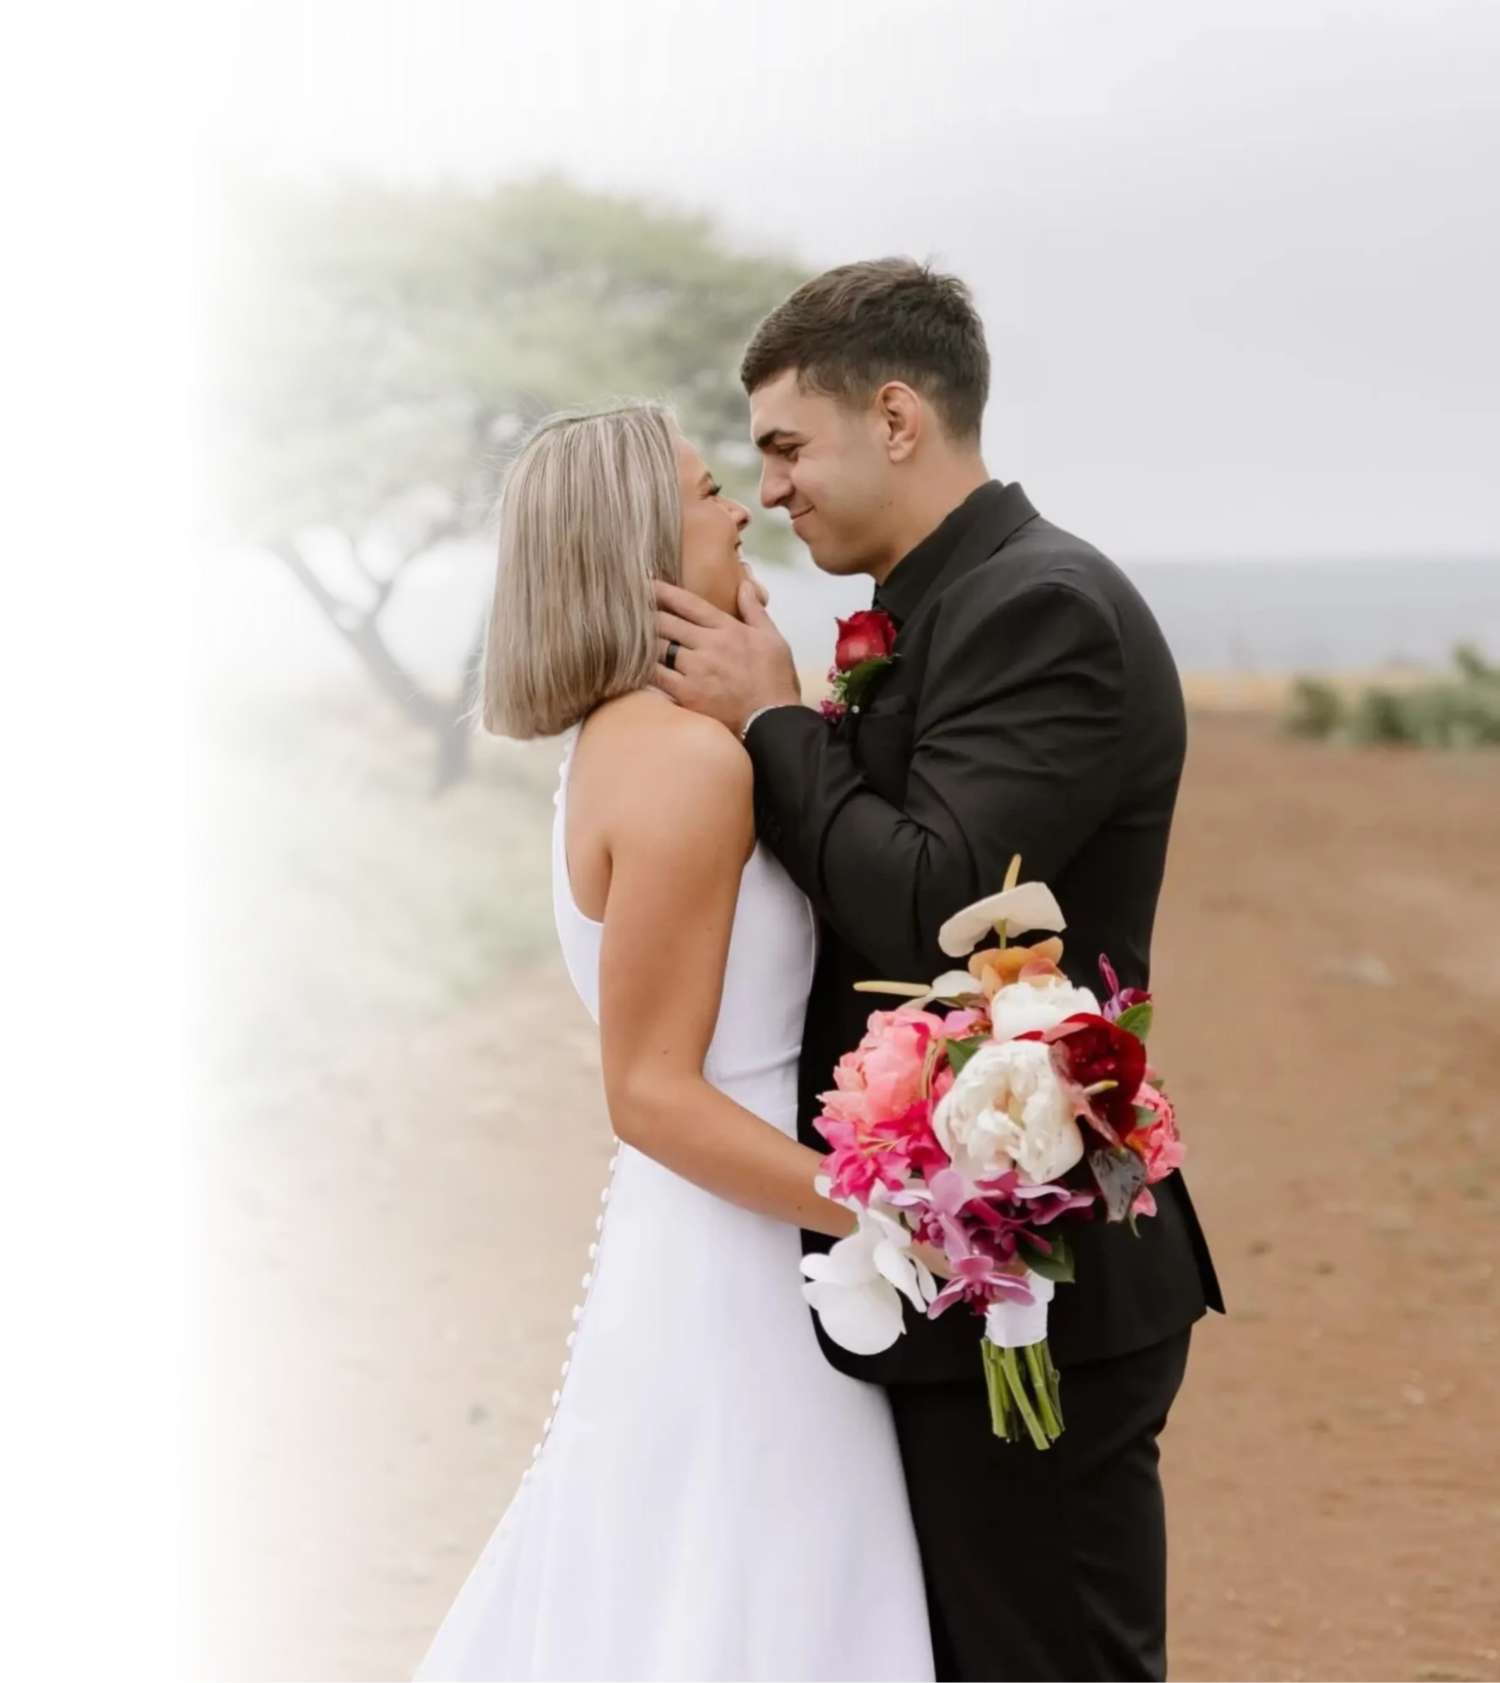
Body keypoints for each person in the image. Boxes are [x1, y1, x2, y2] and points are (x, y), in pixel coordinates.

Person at [653, 257, 1225, 1683]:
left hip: (1036, 1271)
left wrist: (780, 724)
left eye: (788, 444)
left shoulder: (1045, 607)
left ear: (896, 416)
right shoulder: (941, 603)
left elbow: (937, 904)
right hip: (938, 1265)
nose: (771, 487)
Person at [409, 400, 937, 1683]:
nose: (741, 508)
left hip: (708, 1232)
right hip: (739, 1262)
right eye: (709, 492)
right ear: (642, 540)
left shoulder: (624, 740)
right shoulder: (685, 771)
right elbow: (646, 1089)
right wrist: (893, 1212)